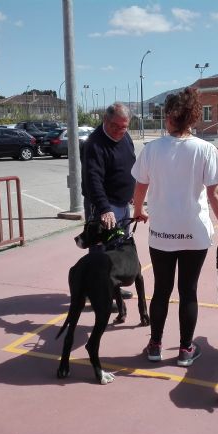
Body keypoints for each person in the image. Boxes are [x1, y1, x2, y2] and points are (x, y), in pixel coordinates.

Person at [131, 87, 218, 367]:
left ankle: (155, 345)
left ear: (168, 117)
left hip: (162, 233)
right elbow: (215, 194)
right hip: (195, 233)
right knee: (188, 290)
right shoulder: (206, 150)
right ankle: (186, 350)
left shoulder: (151, 150)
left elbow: (140, 187)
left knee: (162, 289)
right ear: (193, 118)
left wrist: (139, 211)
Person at [83, 102, 135, 298]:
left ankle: (112, 287)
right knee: (100, 250)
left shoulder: (125, 136)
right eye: (116, 126)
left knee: (118, 248)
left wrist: (132, 190)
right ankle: (96, 292)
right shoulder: (94, 144)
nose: (121, 131)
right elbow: (93, 179)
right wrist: (104, 208)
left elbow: (130, 162)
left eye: (125, 126)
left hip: (122, 203)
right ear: (106, 120)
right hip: (105, 205)